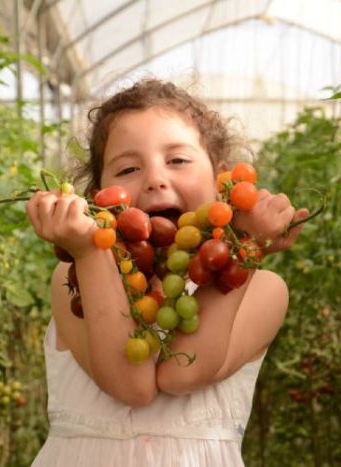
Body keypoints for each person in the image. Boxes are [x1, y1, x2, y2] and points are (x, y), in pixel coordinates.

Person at [26, 79, 309, 466]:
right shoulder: (72, 277)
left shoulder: (264, 288)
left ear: (222, 180)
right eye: (128, 168)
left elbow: (181, 372)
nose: (155, 178)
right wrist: (91, 252)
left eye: (177, 160)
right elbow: (132, 386)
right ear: (98, 197)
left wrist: (245, 248)